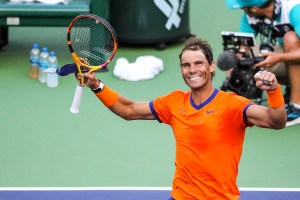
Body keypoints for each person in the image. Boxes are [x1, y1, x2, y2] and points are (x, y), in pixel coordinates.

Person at [76, 37, 286, 199]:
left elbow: (275, 121)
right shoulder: (174, 103)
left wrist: (274, 91)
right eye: (186, 65)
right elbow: (129, 110)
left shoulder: (233, 105)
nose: (192, 70)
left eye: (198, 63)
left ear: (211, 66)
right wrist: (96, 85)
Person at [224, 0, 300, 127]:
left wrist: (280, 57)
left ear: (254, 8)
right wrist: (234, 64)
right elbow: (242, 47)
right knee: (252, 57)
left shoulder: (294, 9)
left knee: (290, 39)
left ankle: (297, 106)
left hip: (292, 52)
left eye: (242, 7)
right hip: (290, 56)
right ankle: (293, 89)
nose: (242, 10)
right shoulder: (250, 16)